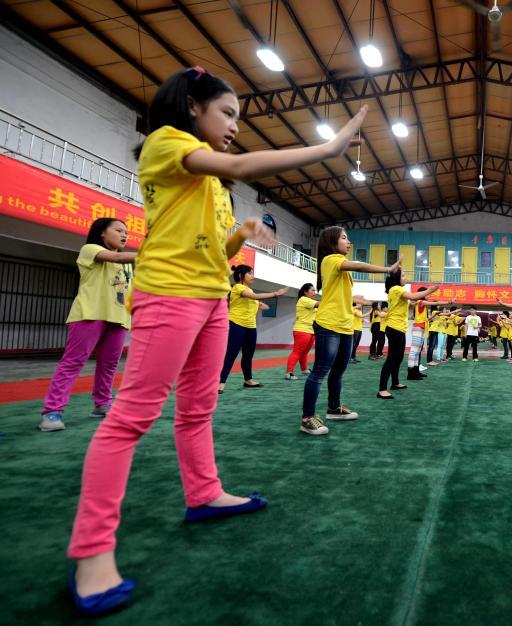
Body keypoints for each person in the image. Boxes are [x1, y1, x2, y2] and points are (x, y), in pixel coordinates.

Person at [67, 67, 367, 615]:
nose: (234, 126)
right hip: (169, 294)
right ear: (191, 108)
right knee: (131, 417)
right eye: (227, 113)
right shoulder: (166, 144)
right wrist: (328, 146)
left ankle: (203, 493)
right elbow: (235, 163)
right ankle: (91, 552)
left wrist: (241, 234)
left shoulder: (211, 182)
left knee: (199, 407)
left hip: (209, 298)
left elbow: (216, 250)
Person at [38, 218, 136, 432]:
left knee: (109, 365)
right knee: (72, 363)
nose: (124, 234)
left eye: (126, 232)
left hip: (119, 317)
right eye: (119, 230)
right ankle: (52, 412)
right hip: (90, 314)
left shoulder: (128, 264)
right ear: (102, 233)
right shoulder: (90, 249)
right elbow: (117, 257)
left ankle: (102, 405)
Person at [302, 226, 392, 435]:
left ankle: (334, 408)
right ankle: (307, 417)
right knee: (320, 371)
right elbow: (359, 265)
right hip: (329, 324)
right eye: (344, 238)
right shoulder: (331, 259)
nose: (348, 242)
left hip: (344, 325)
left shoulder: (338, 265)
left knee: (339, 370)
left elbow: (335, 294)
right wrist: (387, 269)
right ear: (332, 242)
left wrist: (354, 299)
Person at [218, 264, 287, 392]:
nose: (252, 276)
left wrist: (260, 305)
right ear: (240, 275)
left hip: (251, 327)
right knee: (231, 354)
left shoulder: (250, 291)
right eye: (250, 273)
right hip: (236, 324)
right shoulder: (237, 287)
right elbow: (254, 298)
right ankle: (221, 382)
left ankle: (248, 380)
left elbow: (259, 303)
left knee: (248, 355)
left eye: (252, 273)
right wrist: (276, 293)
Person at [378, 271, 439, 396]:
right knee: (391, 359)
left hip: (399, 329)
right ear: (397, 279)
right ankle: (382, 389)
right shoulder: (396, 289)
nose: (406, 278)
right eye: (403, 276)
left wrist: (419, 300)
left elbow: (411, 301)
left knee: (398, 358)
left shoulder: (397, 291)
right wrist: (429, 291)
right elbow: (412, 296)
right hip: (394, 328)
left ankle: (395, 383)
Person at [285, 283, 318, 380]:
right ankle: (289, 373)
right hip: (302, 330)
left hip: (310, 330)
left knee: (305, 352)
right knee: (297, 352)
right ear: (305, 292)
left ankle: (304, 369)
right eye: (312, 290)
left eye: (315, 290)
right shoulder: (304, 300)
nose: (314, 292)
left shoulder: (310, 301)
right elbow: (320, 304)